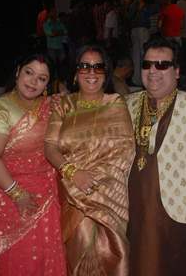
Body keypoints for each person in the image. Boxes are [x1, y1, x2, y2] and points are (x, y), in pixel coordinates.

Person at [126, 36, 186, 276]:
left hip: (183, 212)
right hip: (134, 212)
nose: (153, 71)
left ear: (176, 71)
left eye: (162, 65)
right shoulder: (125, 105)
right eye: (147, 64)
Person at [44, 44, 135, 275]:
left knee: (113, 257)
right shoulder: (64, 105)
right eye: (84, 66)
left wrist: (94, 183)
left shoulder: (115, 103)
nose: (91, 72)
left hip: (109, 196)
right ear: (75, 72)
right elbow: (50, 146)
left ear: (106, 73)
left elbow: (125, 150)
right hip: (72, 193)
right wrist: (74, 174)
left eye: (98, 67)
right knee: (78, 257)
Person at [0, 54, 67, 275]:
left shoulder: (53, 106)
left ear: (48, 84)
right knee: (18, 260)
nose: (33, 82)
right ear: (18, 71)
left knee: (48, 256)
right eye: (29, 72)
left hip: (48, 192)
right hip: (7, 192)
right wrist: (18, 194)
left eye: (42, 78)